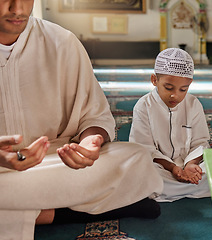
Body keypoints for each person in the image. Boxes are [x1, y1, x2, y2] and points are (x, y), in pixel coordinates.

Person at [0, 1, 163, 239]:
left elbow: (94, 114)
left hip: (56, 161)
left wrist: (90, 141)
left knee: (135, 158)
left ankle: (26, 207)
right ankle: (64, 212)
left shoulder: (61, 42)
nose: (18, 9)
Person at [129, 48, 211, 202]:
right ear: (154, 80)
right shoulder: (143, 106)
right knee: (139, 172)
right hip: (160, 168)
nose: (176, 95)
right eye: (168, 88)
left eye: (183, 89)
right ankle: (191, 188)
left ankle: (166, 191)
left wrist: (190, 165)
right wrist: (173, 169)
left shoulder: (193, 104)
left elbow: (200, 142)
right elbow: (144, 149)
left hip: (190, 167)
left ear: (190, 84)